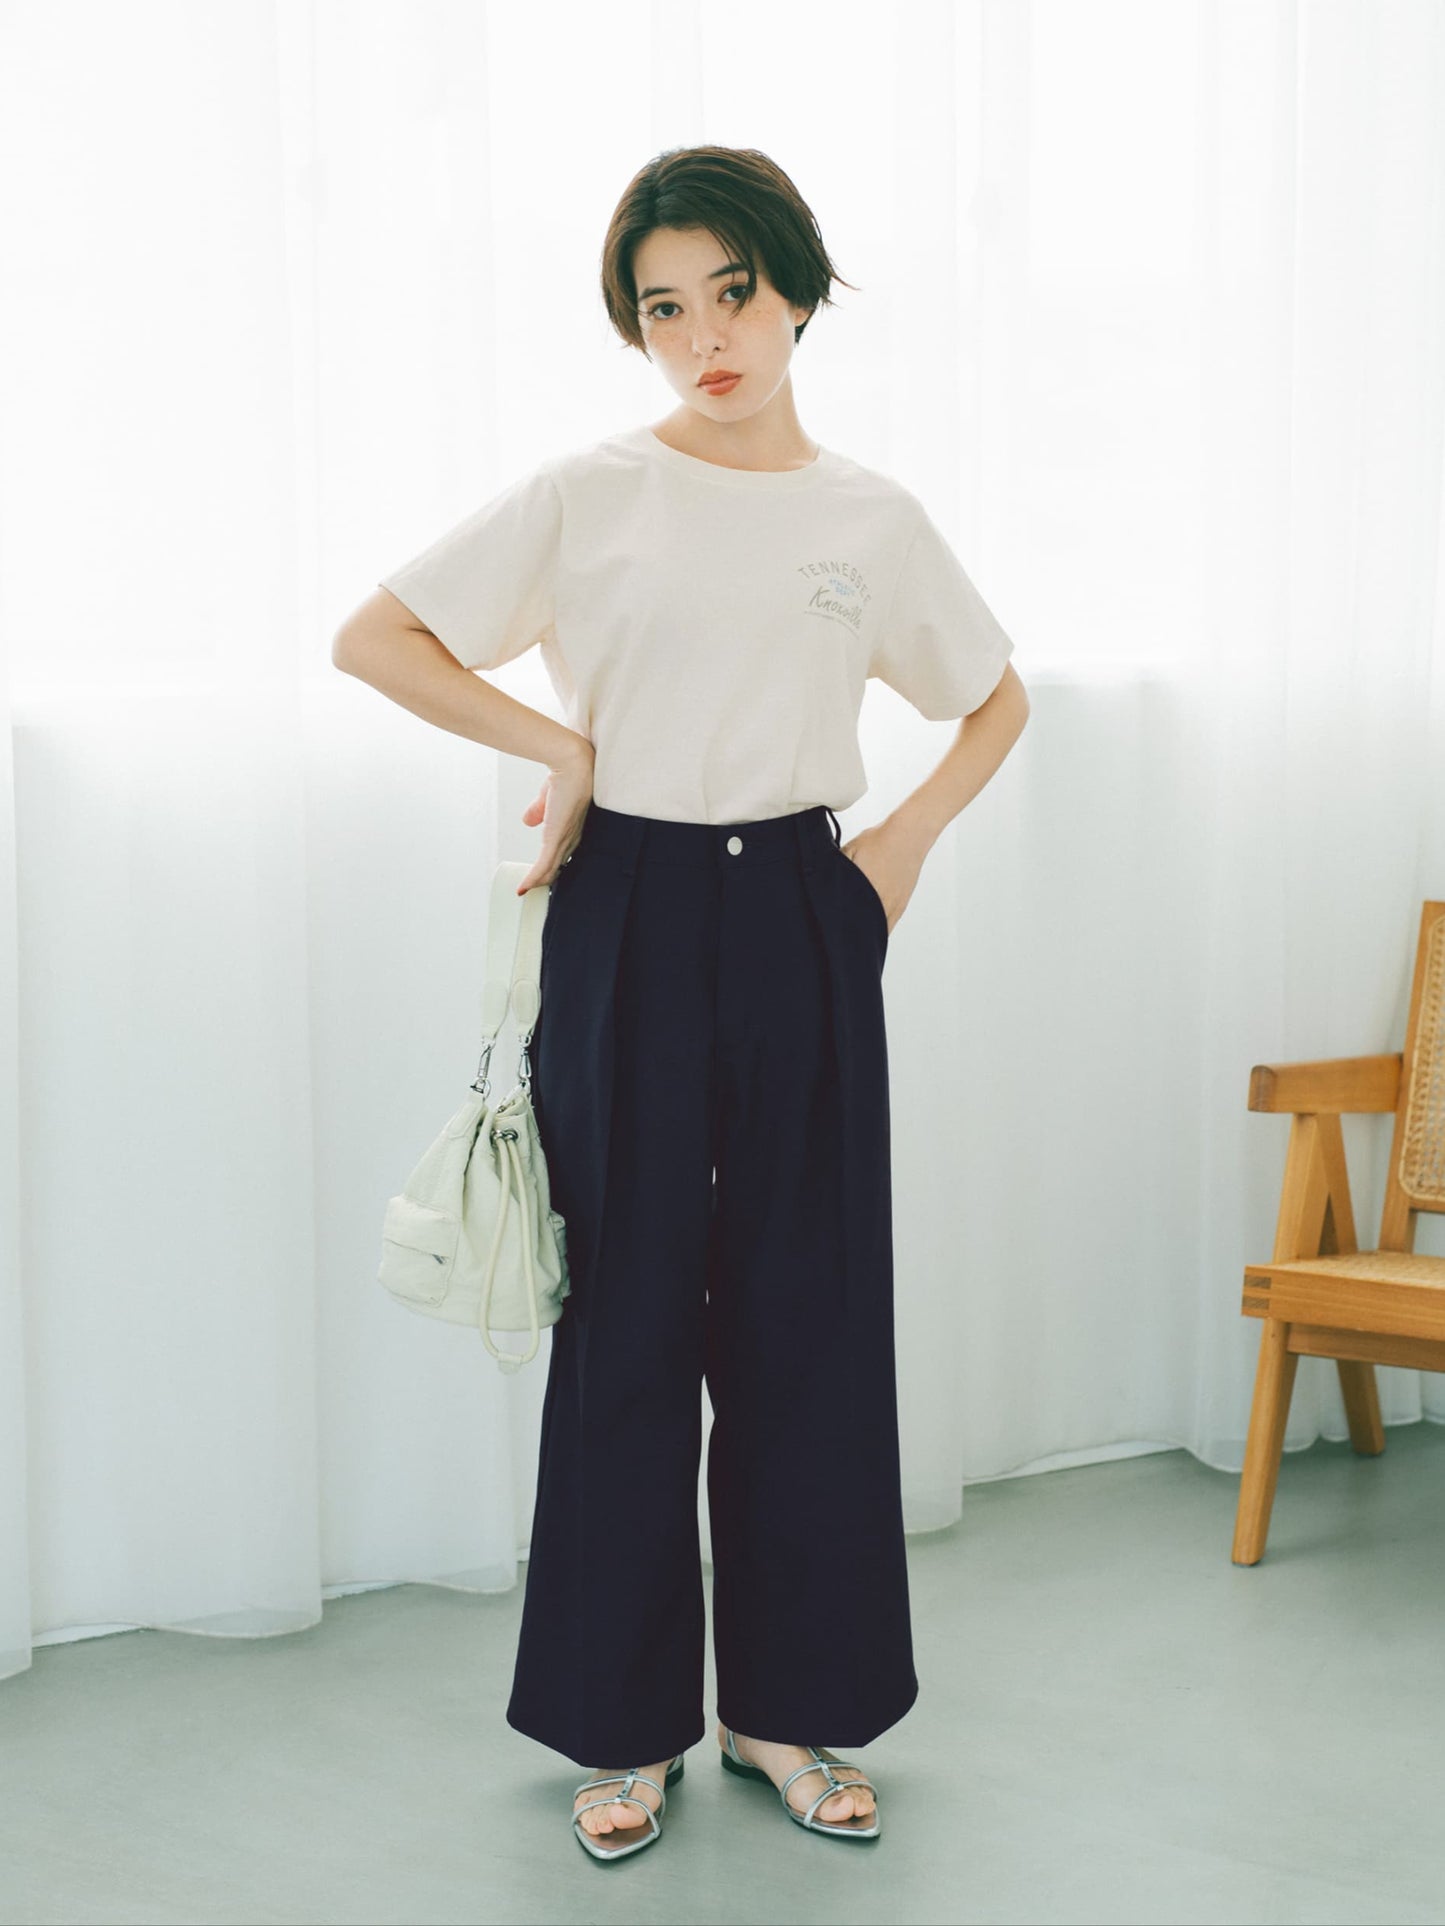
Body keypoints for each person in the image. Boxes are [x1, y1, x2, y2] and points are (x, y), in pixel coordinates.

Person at [333, 143, 1030, 1861]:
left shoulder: (869, 517)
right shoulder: (588, 494)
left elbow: (994, 699)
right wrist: (559, 745)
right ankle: (620, 1724)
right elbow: (377, 637)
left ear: (796, 293)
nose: (704, 337)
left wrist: (893, 851)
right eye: (663, 309)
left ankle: (784, 1710)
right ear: (635, 328)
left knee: (806, 1312)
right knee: (626, 1316)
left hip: (801, 902)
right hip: (625, 907)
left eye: (733, 294)